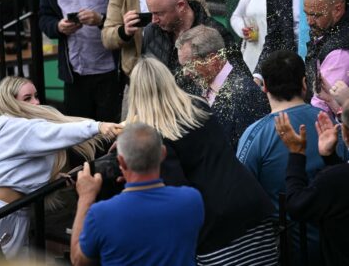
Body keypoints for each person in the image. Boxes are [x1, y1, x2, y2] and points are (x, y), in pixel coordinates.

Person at [124, 57, 278, 265]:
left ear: (136, 94)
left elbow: (177, 195)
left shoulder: (155, 136)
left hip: (216, 227)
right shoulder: (198, 107)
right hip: (252, 204)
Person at [237, 50, 349, 265]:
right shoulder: (331, 126)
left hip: (284, 252)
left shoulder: (255, 135)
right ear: (304, 83)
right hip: (335, 247)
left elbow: (242, 194)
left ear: (265, 87)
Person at [0, 76, 119, 260]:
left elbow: (19, 171)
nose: (36, 102)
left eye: (36, 96)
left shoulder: (19, 130)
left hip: (15, 213)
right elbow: (57, 132)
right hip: (5, 214)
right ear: (10, 102)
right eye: (27, 98)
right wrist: (98, 126)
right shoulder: (15, 126)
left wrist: (53, 179)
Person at [70, 123, 204, 266]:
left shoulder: (101, 214)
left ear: (121, 161)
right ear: (163, 153)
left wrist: (85, 198)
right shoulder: (191, 200)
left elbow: (78, 260)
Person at [274, 105, 349, 265]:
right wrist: (330, 158)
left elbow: (296, 206)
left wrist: (296, 153)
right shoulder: (336, 178)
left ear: (345, 134)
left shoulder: (333, 179)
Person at [176, 24, 270, 150]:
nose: (186, 72)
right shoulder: (197, 88)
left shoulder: (246, 93)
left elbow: (252, 151)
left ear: (212, 60)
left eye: (189, 65)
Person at [142, 0, 237, 75]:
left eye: (159, 14)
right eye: (152, 13)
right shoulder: (152, 31)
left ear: (181, 6)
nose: (154, 20)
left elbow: (237, 79)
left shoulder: (216, 33)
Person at [304, 0, 349, 115]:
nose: (309, 22)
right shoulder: (328, 29)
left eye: (316, 15)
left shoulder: (339, 53)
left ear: (338, 9)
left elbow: (321, 109)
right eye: (306, 14)